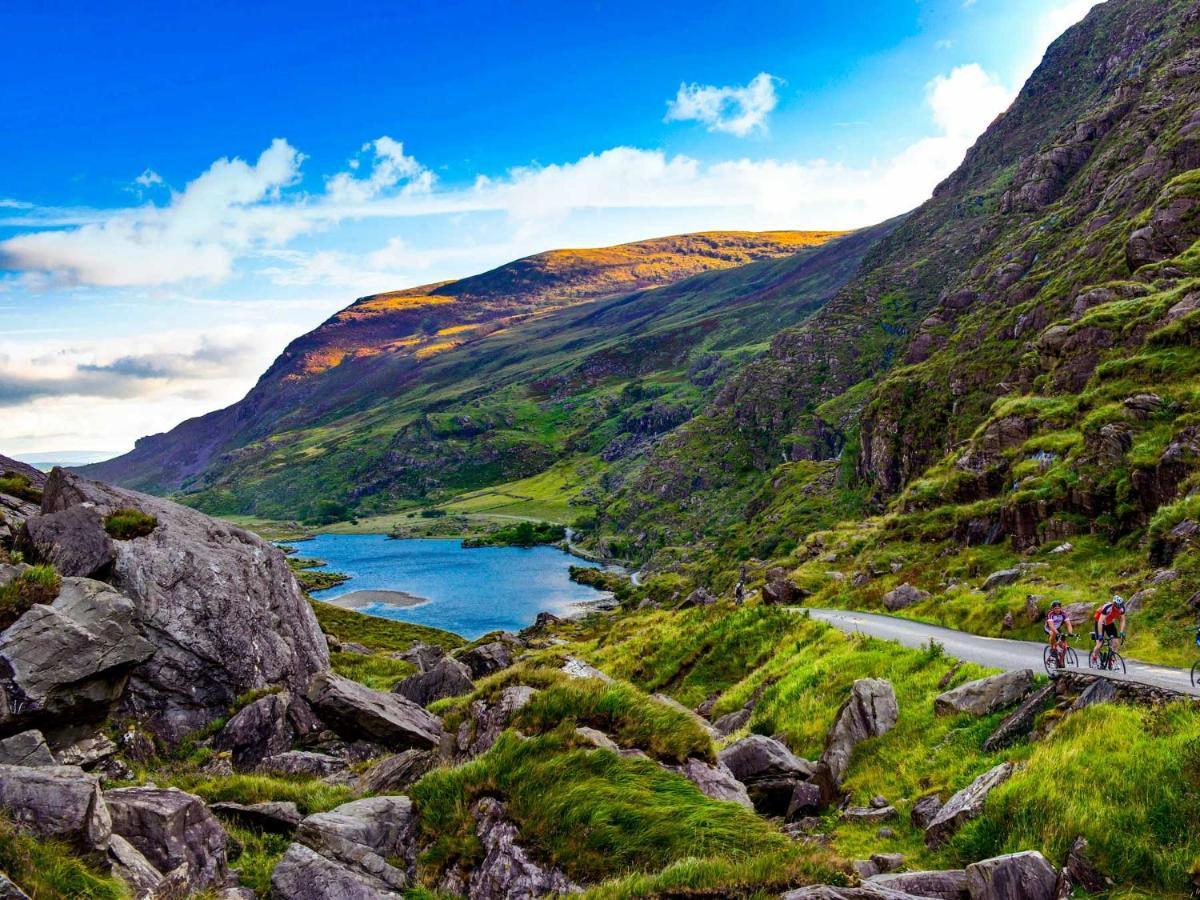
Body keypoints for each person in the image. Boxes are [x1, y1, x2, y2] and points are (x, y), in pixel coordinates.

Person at [1091, 595, 1127, 665]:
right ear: (1114, 604)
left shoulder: (1122, 609)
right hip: (1100, 622)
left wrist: (1122, 631)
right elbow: (1100, 621)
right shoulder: (1107, 608)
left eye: (1120, 606)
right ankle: (1094, 655)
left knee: (1116, 643)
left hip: (1110, 623)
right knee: (1099, 644)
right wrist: (1101, 635)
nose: (1119, 608)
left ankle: (1111, 659)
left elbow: (1122, 620)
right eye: (1117, 606)